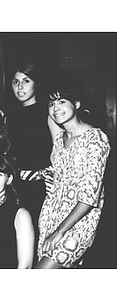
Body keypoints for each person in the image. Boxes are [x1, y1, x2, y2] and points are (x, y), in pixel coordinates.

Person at [35, 70, 111, 269]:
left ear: (76, 104)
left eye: (61, 101)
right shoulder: (59, 140)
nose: (55, 108)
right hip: (51, 217)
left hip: (78, 224)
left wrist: (59, 232)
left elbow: (89, 197)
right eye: (51, 104)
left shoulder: (95, 139)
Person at [8, 61, 54, 264]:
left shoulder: (48, 112)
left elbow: (58, 152)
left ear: (36, 84)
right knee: (20, 241)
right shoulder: (11, 116)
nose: (20, 87)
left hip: (43, 188)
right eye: (15, 82)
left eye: (26, 81)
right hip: (18, 187)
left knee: (41, 243)